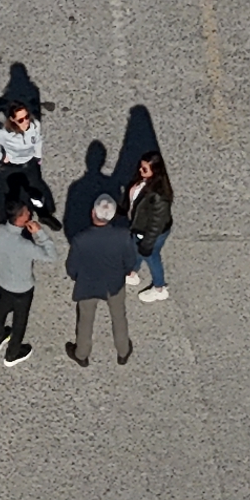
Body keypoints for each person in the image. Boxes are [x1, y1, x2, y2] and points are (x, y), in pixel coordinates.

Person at [64, 193, 141, 366]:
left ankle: (82, 354)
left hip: (88, 284)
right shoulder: (122, 235)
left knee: (85, 320)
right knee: (119, 316)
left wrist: (77, 277)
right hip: (114, 283)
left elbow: (72, 267)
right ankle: (123, 351)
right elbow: (130, 261)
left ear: (93, 213)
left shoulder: (81, 239)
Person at [0, 200, 60, 365]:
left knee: (2, 309)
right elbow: (51, 256)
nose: (30, 214)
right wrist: (40, 233)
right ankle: (12, 353)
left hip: (2, 281)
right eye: (26, 213)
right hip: (22, 288)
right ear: (20, 218)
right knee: (20, 320)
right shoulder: (25, 245)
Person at [0, 100, 55, 226]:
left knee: (36, 192)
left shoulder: (35, 125)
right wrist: (1, 157)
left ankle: (44, 214)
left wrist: (37, 157)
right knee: (9, 196)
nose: (26, 121)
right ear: (12, 120)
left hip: (29, 163)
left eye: (27, 117)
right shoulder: (4, 133)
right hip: (10, 166)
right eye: (21, 120)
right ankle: (5, 224)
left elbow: (38, 140)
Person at [125, 149, 175, 299]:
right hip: (139, 227)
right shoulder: (144, 182)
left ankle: (159, 288)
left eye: (144, 169)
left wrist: (147, 243)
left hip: (150, 232)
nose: (140, 170)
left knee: (151, 257)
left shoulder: (159, 196)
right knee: (135, 248)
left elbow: (156, 224)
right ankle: (132, 272)